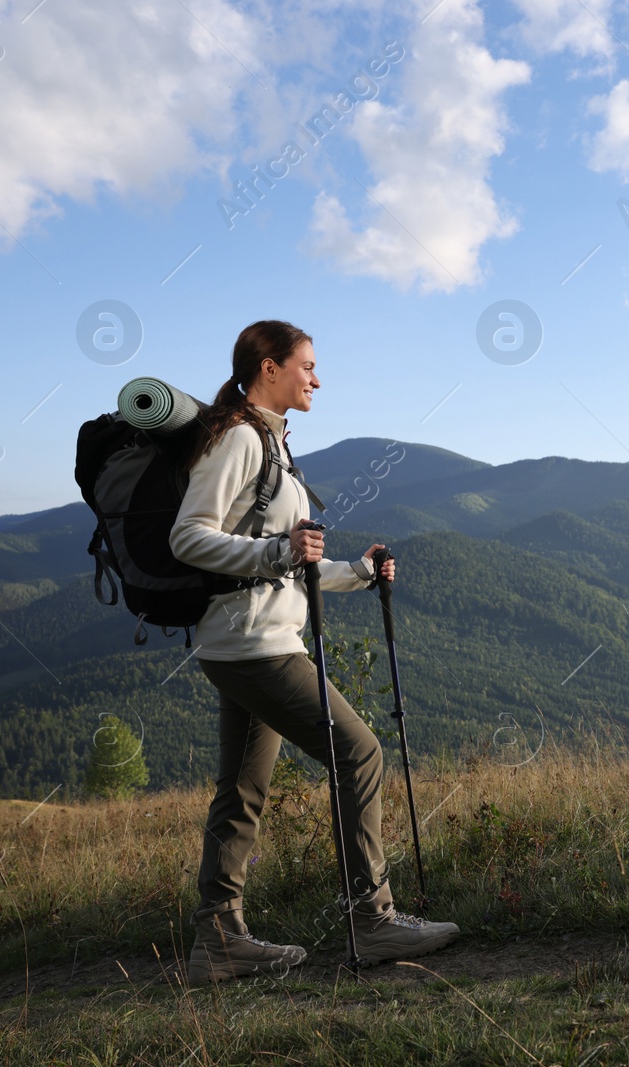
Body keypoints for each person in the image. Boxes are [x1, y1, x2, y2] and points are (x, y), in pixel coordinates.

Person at [171, 319, 457, 983]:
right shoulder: (241, 439)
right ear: (268, 366)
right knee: (359, 751)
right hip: (256, 645)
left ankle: (218, 939)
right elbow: (189, 537)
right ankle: (373, 917)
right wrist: (278, 550)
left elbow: (291, 564)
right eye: (307, 365)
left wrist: (357, 570)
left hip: (243, 641)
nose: (316, 378)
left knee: (242, 789)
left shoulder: (271, 445)